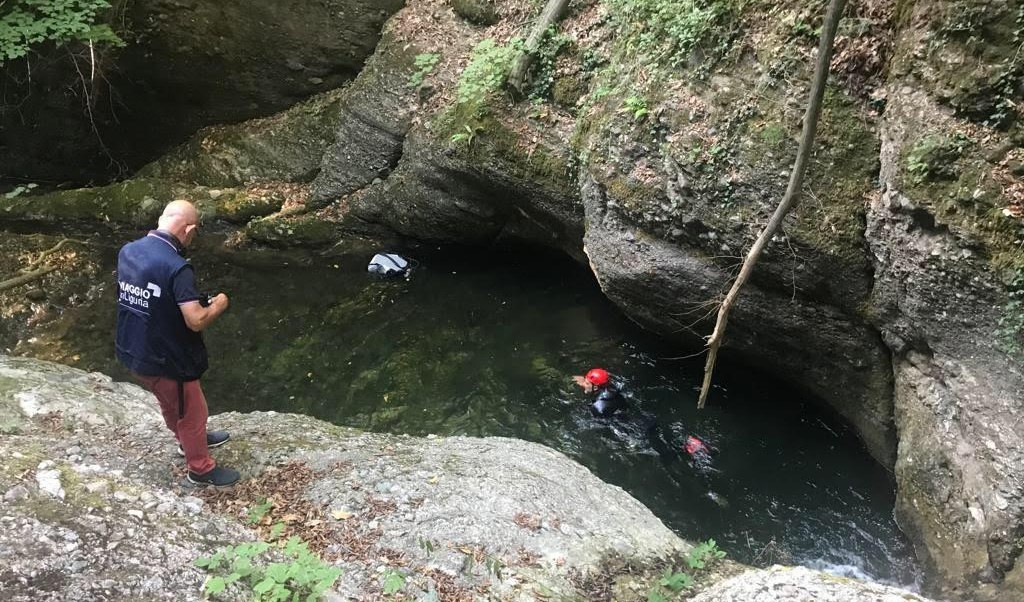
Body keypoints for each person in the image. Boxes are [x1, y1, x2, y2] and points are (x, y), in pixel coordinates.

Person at [115, 200, 240, 487]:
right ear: (189, 229)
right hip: (166, 358)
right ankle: (200, 469)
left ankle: (187, 440)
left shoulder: (129, 251)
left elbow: (147, 297)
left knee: (170, 403)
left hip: (134, 349)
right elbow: (195, 320)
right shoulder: (176, 266)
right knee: (194, 412)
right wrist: (219, 304)